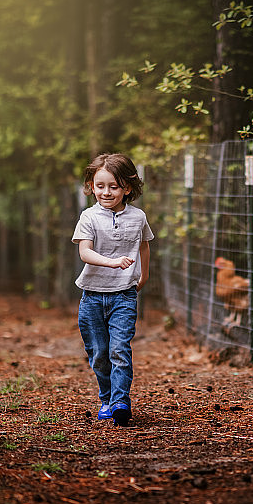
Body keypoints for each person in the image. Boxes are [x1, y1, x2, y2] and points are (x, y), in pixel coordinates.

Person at [72, 153, 154, 427]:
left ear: (127, 188)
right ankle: (106, 398)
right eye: (100, 186)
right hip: (92, 297)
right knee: (99, 353)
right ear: (92, 186)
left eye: (113, 186)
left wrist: (143, 274)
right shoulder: (88, 217)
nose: (106, 192)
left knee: (120, 349)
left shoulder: (138, 217)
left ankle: (120, 402)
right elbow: (85, 252)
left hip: (124, 296)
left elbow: (144, 245)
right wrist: (113, 262)